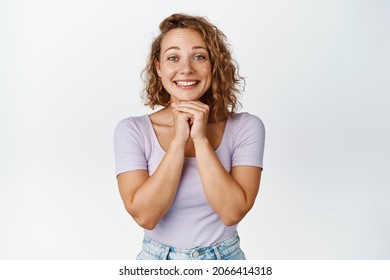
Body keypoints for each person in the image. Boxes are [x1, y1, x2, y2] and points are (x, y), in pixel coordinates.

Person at [114, 13, 265, 260]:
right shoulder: (132, 130)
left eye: (199, 57)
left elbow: (232, 212)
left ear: (214, 65)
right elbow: (145, 216)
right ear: (158, 68)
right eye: (173, 57)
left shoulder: (246, 127)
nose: (186, 69)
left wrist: (201, 140)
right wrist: (177, 143)